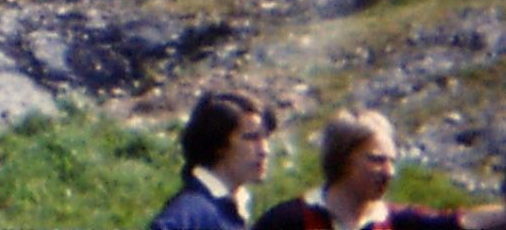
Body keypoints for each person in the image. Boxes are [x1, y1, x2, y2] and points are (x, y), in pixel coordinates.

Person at [253, 110, 506, 230]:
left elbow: (465, 222)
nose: (389, 172)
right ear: (342, 158)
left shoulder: (395, 222)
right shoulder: (287, 221)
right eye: (376, 160)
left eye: (392, 161)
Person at [148, 88, 277, 230]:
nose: (264, 150)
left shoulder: (231, 210)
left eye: (265, 138)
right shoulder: (189, 216)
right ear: (219, 143)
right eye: (251, 138)